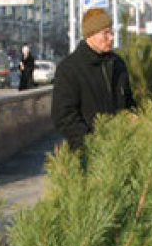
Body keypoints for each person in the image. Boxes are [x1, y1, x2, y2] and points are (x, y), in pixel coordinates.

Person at [52, 8, 136, 151]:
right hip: (88, 154)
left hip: (123, 150)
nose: (111, 38)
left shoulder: (118, 64)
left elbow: (128, 103)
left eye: (112, 32)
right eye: (106, 33)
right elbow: (64, 116)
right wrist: (89, 143)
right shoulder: (70, 69)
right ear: (90, 35)